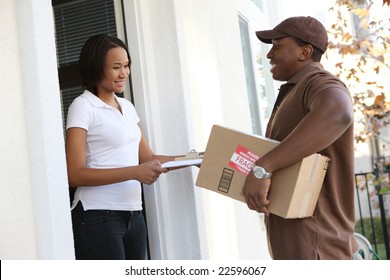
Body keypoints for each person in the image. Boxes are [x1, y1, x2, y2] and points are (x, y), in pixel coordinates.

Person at [242, 16, 359, 259]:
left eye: (278, 46)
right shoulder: (295, 90)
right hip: (300, 244)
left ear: (304, 52)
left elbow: (339, 112)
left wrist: (262, 168)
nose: (269, 55)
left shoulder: (317, 81)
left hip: (317, 245)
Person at [66, 34, 182, 260]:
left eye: (126, 66)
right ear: (96, 68)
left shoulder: (127, 107)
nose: (124, 73)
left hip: (133, 216)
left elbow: (148, 158)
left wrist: (194, 158)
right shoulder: (82, 107)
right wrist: (134, 173)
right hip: (96, 217)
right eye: (116, 67)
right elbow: (75, 174)